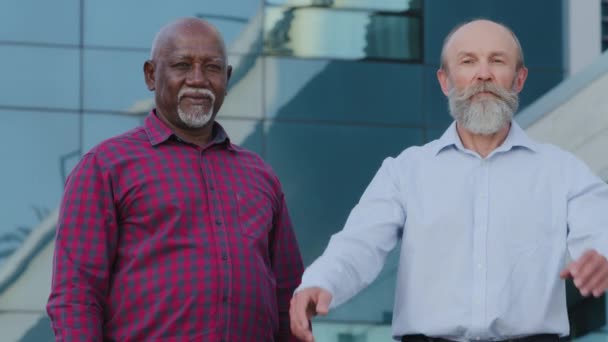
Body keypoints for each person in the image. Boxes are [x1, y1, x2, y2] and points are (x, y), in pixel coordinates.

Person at [289, 19, 608, 342]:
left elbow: (601, 226)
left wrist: (602, 254)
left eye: (497, 61)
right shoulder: (406, 171)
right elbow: (359, 243)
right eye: (468, 61)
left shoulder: (561, 170)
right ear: (445, 81)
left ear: (519, 79)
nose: (483, 74)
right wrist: (321, 282)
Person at [47, 17, 304, 341]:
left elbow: (289, 299)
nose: (197, 79)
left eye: (212, 68)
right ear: (152, 75)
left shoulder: (261, 177)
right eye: (182, 65)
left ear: (227, 78)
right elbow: (76, 296)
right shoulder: (106, 167)